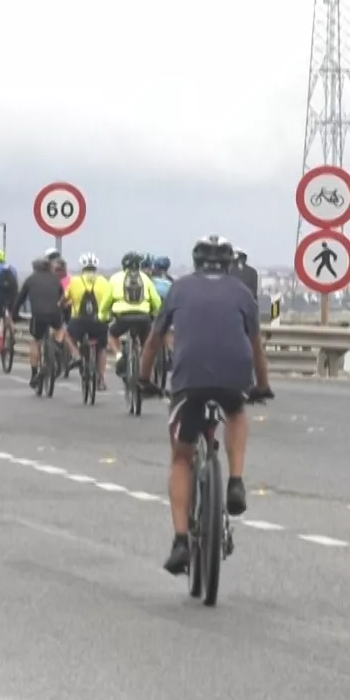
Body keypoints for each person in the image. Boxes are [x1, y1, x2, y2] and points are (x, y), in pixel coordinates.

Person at [139, 234, 270, 576]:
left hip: (189, 379)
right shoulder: (242, 292)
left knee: (181, 457)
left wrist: (143, 378)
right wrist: (262, 385)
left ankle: (181, 539)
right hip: (234, 374)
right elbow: (256, 346)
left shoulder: (179, 289)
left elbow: (154, 340)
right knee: (237, 411)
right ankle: (236, 481)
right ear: (229, 264)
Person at [107, 251, 163, 381]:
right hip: (143, 317)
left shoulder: (115, 278)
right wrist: (156, 314)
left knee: (112, 334)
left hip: (122, 317)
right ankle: (145, 372)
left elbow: (106, 301)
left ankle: (119, 356)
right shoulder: (145, 278)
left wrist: (103, 315)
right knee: (147, 344)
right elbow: (156, 301)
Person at [64, 254, 114, 387]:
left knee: (68, 335)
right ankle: (101, 380)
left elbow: (65, 298)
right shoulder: (104, 281)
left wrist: (62, 304)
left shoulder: (74, 281)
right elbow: (110, 300)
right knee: (102, 348)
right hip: (99, 322)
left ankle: (76, 355)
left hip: (79, 322)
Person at [18, 256, 66, 391]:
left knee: (36, 341)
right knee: (60, 329)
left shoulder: (30, 280)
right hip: (54, 314)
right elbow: (62, 298)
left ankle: (34, 374)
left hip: (38, 316)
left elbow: (20, 299)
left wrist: (14, 314)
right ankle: (57, 346)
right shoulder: (56, 280)